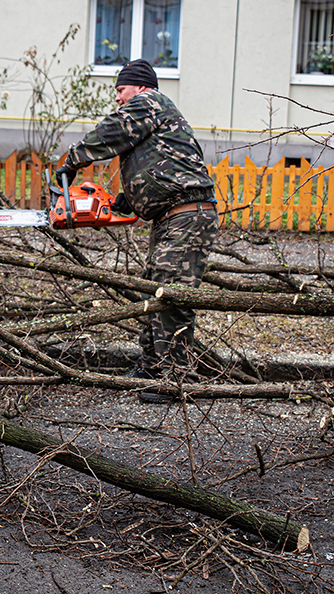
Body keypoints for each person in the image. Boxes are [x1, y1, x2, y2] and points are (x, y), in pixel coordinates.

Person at [56, 59, 217, 404]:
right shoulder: (157, 117)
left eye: (120, 90)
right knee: (153, 289)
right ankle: (152, 365)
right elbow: (161, 163)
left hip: (188, 215)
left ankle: (176, 379)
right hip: (171, 216)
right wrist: (127, 200)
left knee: (173, 295)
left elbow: (113, 131)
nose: (117, 99)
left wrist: (74, 158)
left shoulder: (150, 102)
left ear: (139, 87)